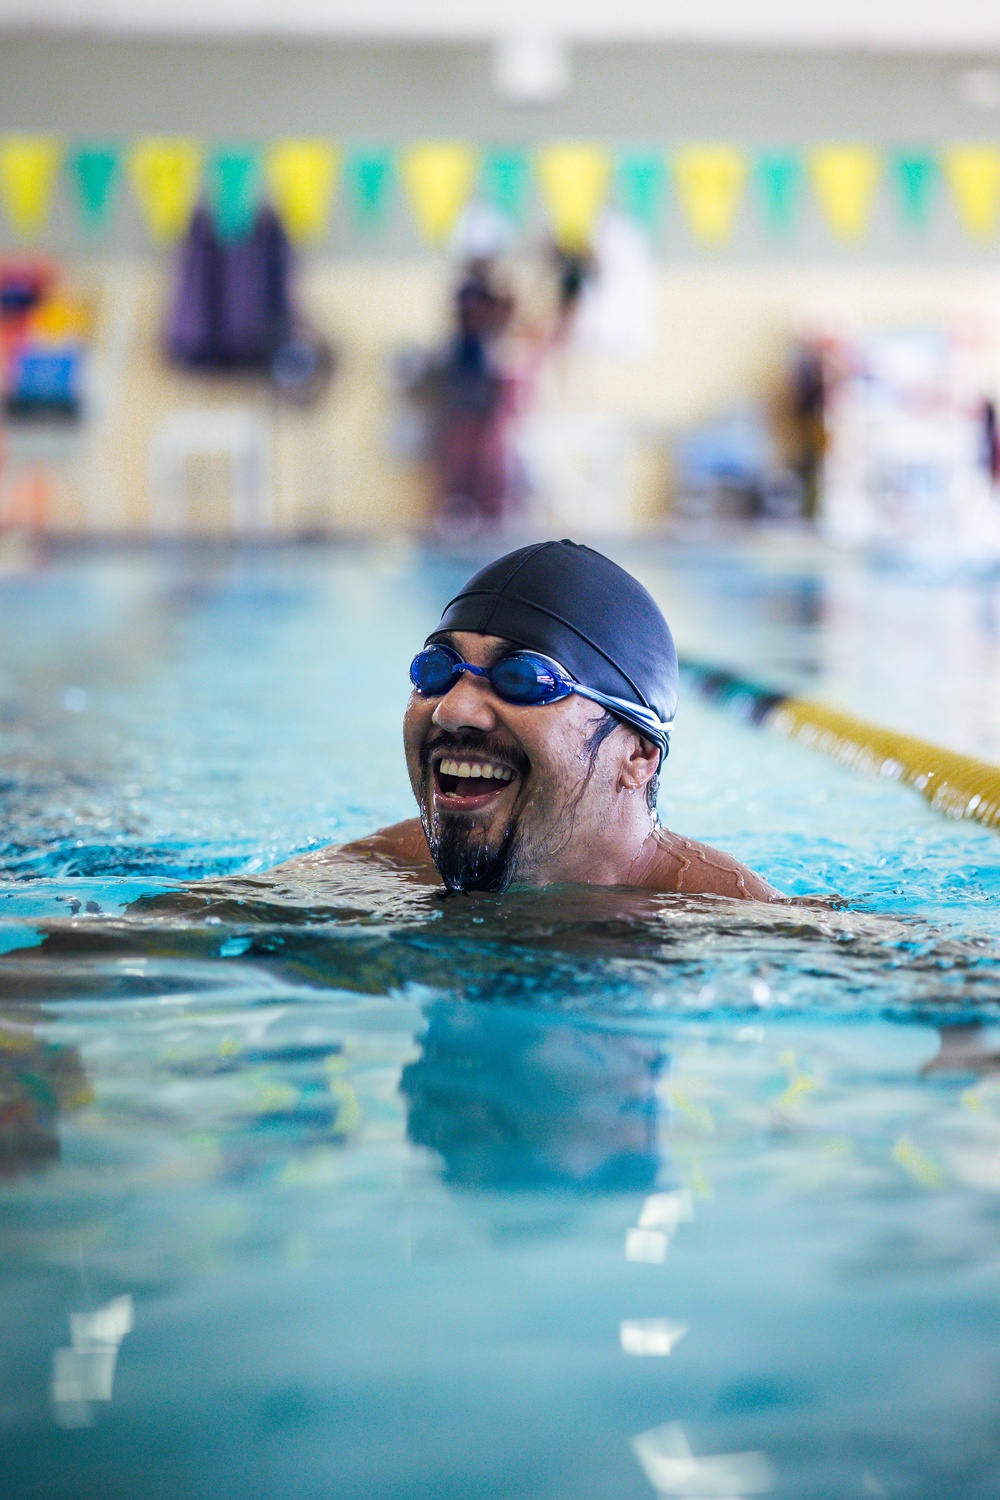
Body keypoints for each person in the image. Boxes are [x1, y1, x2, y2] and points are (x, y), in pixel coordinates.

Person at [300, 539, 779, 901]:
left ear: (638, 754)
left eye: (523, 677)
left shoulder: (728, 921)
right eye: (438, 671)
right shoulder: (378, 870)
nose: (452, 710)